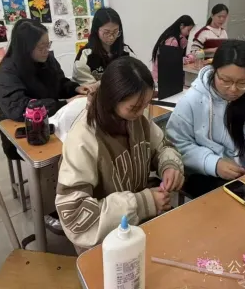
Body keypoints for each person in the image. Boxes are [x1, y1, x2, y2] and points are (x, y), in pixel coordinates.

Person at [56, 56, 184, 252]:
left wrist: (169, 165)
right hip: (104, 242)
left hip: (138, 226)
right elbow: (75, 216)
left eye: (145, 105)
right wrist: (142, 203)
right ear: (111, 100)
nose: (141, 113)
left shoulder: (135, 118)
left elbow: (162, 146)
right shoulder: (84, 139)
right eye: (134, 107)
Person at [0, 19, 94, 233]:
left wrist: (76, 89)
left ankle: (76, 191)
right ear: (26, 48)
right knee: (51, 157)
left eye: (48, 45)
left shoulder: (47, 59)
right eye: (41, 47)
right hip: (25, 131)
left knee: (81, 143)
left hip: (54, 119)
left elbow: (60, 83)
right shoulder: (7, 71)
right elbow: (18, 108)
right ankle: (49, 207)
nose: (46, 50)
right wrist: (62, 103)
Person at [166, 40, 245, 198]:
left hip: (242, 174)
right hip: (202, 174)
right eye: (226, 81)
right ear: (214, 70)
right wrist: (213, 163)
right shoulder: (193, 101)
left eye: (243, 82)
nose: (234, 89)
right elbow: (176, 144)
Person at [73, 7, 133, 84]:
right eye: (106, 32)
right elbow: (88, 87)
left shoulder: (126, 51)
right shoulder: (85, 55)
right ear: (96, 30)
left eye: (115, 32)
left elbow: (136, 77)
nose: (111, 37)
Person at [151, 15, 196, 82]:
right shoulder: (172, 41)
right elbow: (171, 61)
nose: (188, 33)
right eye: (188, 30)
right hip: (162, 78)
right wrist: (188, 58)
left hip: (163, 75)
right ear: (181, 26)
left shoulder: (175, 37)